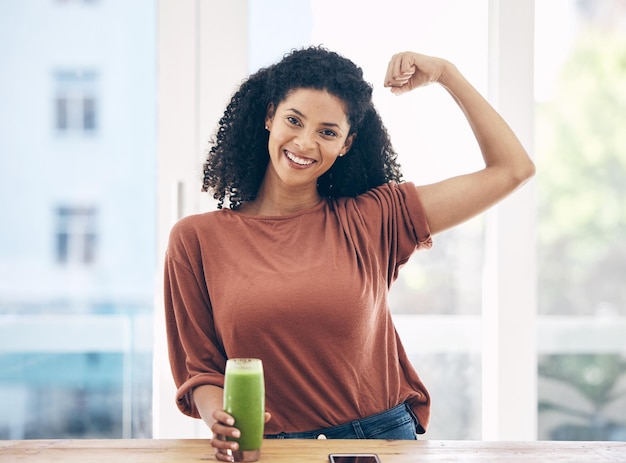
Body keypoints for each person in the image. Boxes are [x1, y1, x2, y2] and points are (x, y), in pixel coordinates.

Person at [164, 46, 535, 461]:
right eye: (293, 120)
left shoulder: (375, 218)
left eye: (327, 131)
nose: (305, 142)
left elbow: (513, 169)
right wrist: (224, 423)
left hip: (377, 442)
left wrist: (447, 73)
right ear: (269, 116)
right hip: (265, 451)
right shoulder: (196, 239)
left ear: (346, 143)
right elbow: (202, 369)